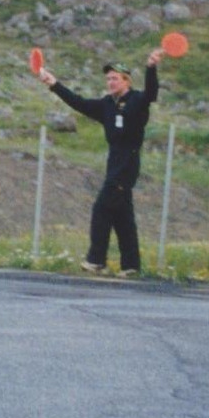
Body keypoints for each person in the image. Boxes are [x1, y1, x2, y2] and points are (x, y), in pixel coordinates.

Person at [35, 49, 164, 276]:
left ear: (126, 81)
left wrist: (151, 67)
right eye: (108, 78)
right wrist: (53, 84)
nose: (110, 82)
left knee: (102, 208)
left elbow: (152, 93)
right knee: (122, 216)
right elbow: (79, 103)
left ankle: (96, 260)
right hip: (113, 163)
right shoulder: (106, 105)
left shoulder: (137, 100)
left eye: (115, 78)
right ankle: (131, 265)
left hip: (128, 164)